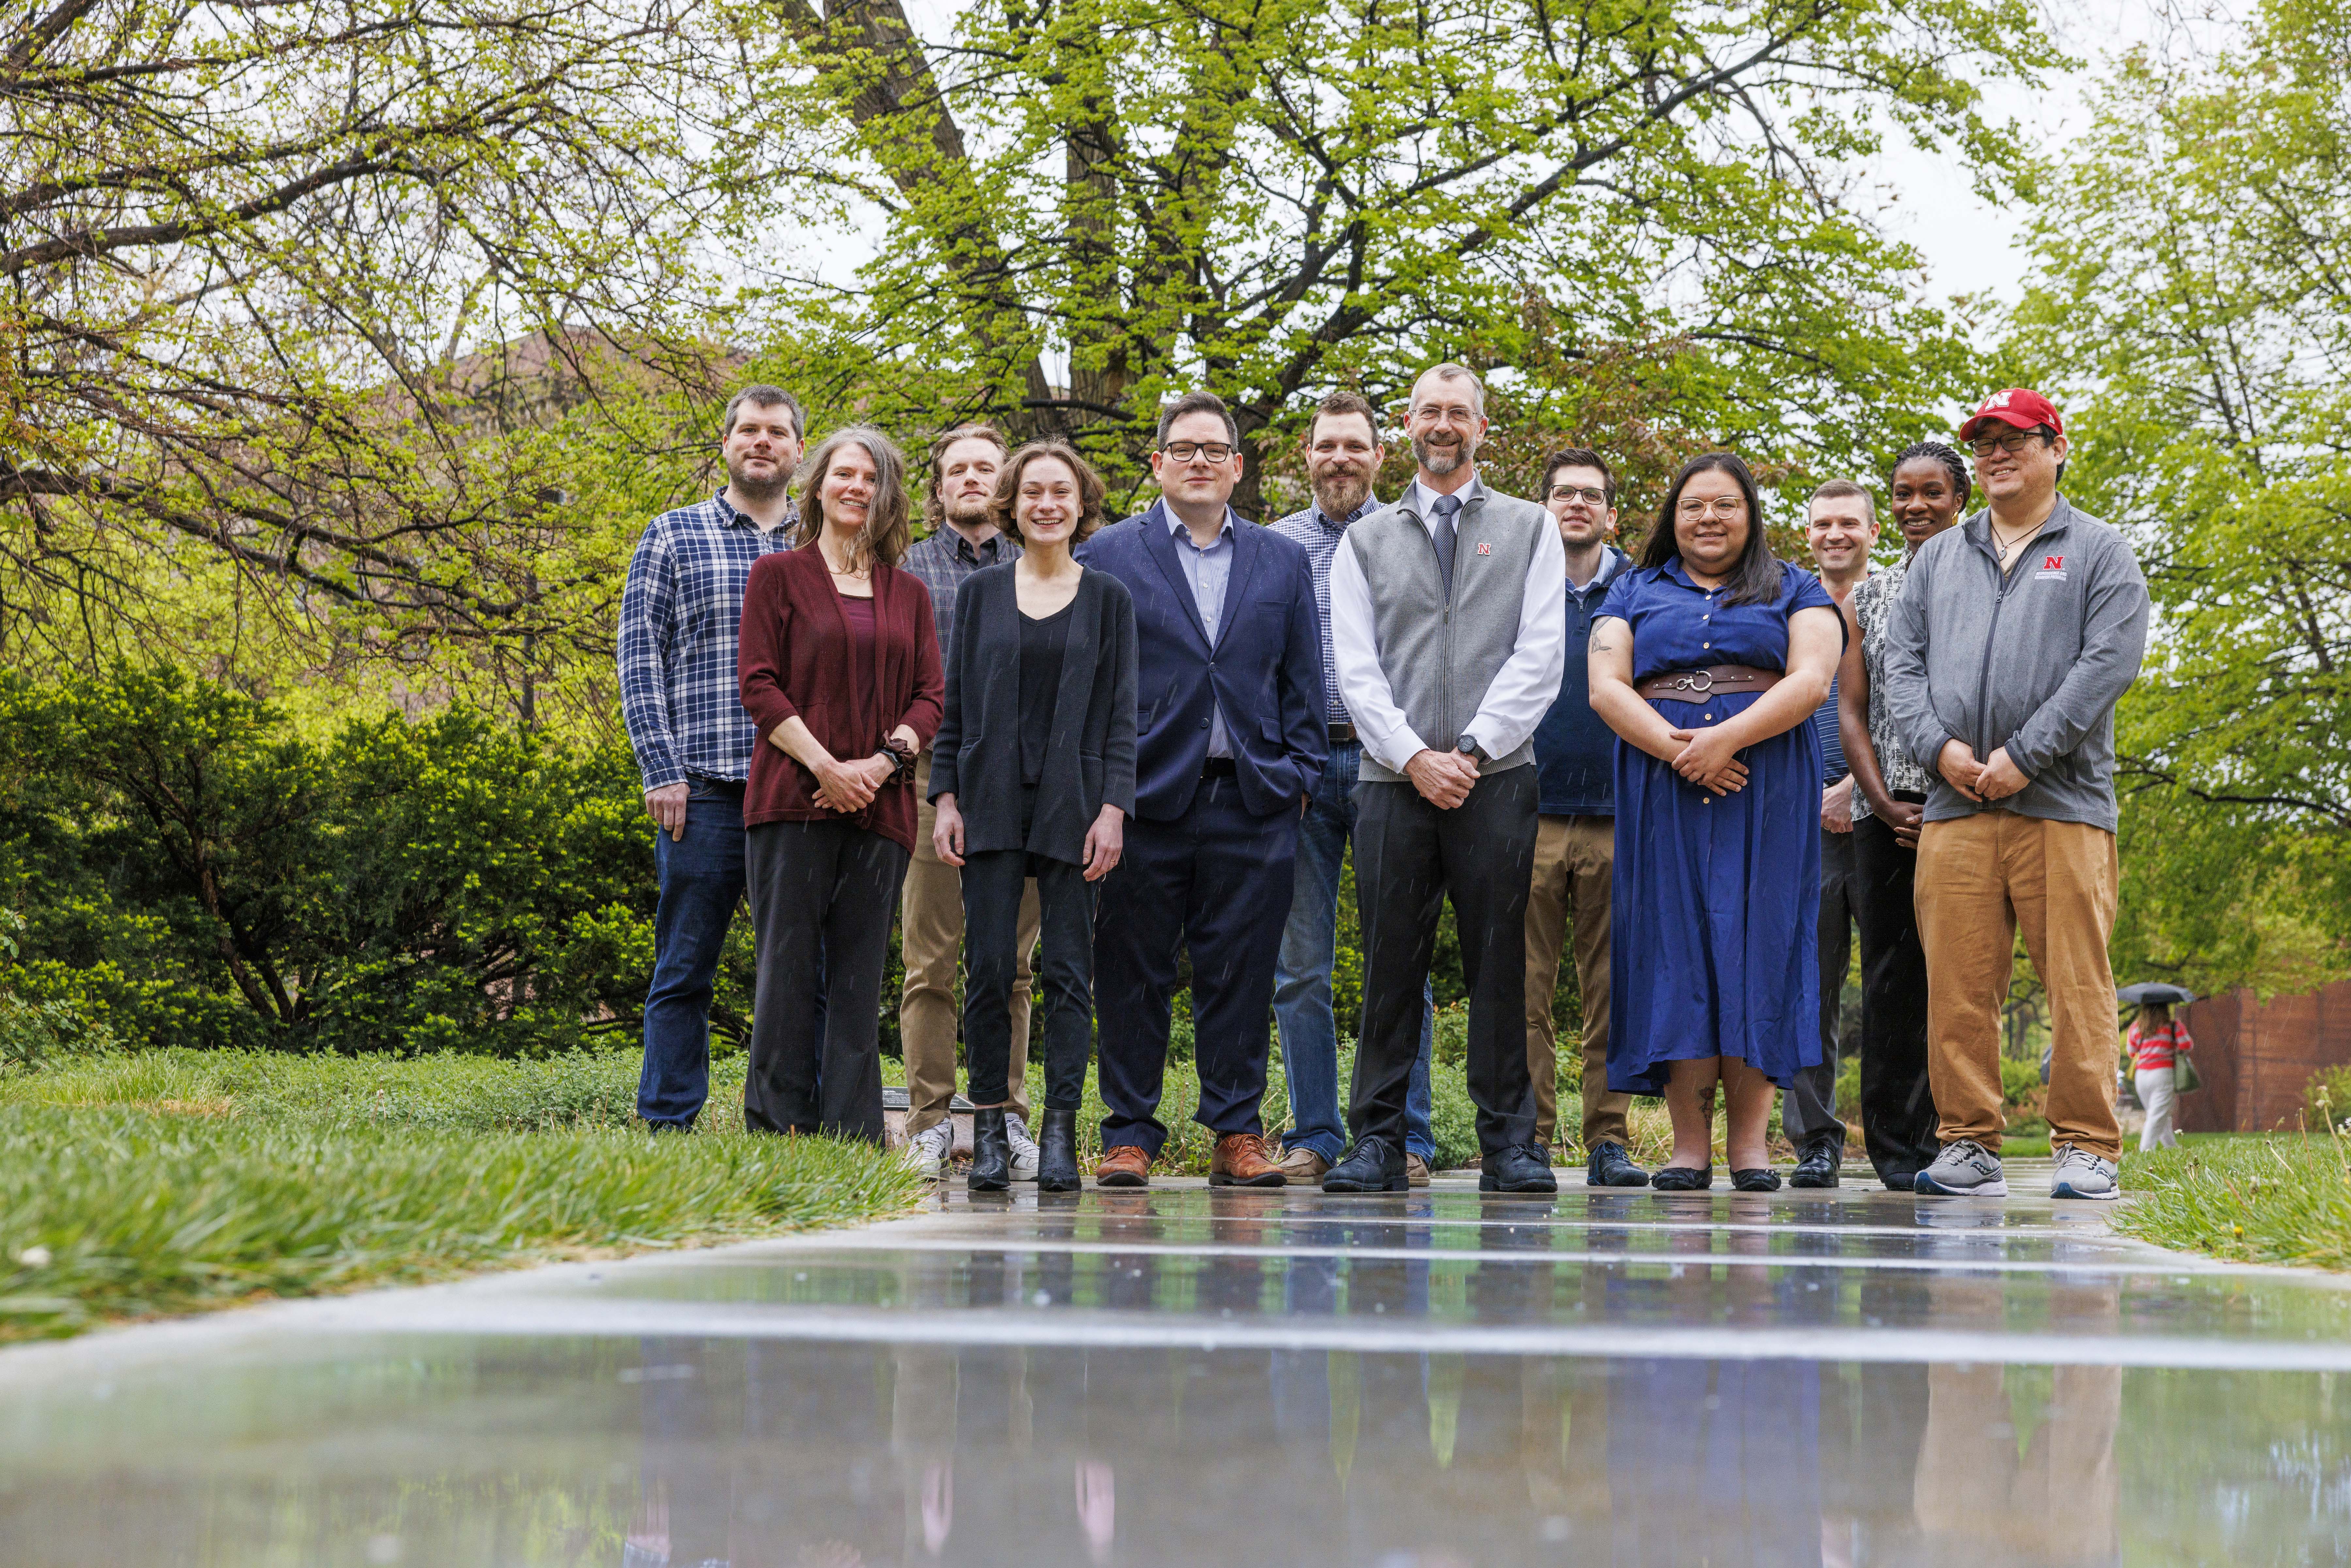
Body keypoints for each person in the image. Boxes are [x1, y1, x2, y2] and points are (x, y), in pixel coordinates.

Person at [1883, 388, 2150, 1201]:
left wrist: (2022, 757)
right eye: (1984, 442)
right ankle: (1967, 1144)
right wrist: (1944, 752)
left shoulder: (2100, 552)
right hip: (1957, 806)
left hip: (2060, 806)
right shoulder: (1936, 559)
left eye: (2015, 440)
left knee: (2077, 984)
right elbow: (1899, 666)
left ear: (2055, 448)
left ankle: (2086, 1148)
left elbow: (2104, 667)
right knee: (1957, 986)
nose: (1996, 453)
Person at [1324, 362, 1566, 1194]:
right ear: (1407, 425)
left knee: (1501, 962)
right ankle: (1376, 1143)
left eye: (1458, 413)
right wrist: (1413, 756)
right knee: (1391, 963)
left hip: (1495, 777)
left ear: (1481, 430)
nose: (1443, 424)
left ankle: (1509, 1144)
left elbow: (1541, 655)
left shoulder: (1532, 528)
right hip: (1392, 781)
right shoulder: (1363, 539)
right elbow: (1353, 669)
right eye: (1429, 410)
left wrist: (1467, 749)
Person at [1077, 390, 1328, 1188]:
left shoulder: (1281, 562)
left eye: (1213, 451)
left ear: (1237, 468)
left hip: (1252, 800)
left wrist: (1296, 777)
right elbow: (1089, 684)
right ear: (1156, 464)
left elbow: (1302, 682)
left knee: (1242, 972)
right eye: (1181, 449)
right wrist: (1100, 793)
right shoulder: (1107, 555)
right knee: (1130, 969)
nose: (1197, 462)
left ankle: (1235, 1130)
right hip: (1140, 800)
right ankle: (1129, 1133)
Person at [1588, 452, 1844, 1192]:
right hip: (1659, 789)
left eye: (1725, 505)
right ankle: (1687, 1148)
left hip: (1764, 788)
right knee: (1676, 952)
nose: (1708, 517)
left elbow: (1810, 678)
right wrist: (1681, 752)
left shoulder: (1794, 587)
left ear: (1750, 514)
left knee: (1758, 948)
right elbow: (1606, 686)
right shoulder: (1633, 589)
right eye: (1693, 505)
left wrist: (1726, 741)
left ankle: (1752, 1149)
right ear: (1672, 515)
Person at [930, 441, 1138, 1192]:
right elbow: (953, 707)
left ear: (1081, 507)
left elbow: (1121, 717)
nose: (1046, 504)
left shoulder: (1109, 599)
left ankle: (1057, 1137)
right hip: (986, 800)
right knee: (987, 967)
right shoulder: (983, 594)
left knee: (1068, 973)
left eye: (1061, 493)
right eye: (1032, 493)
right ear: (1011, 506)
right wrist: (945, 796)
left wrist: (1114, 808)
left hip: (1074, 805)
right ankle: (988, 1127)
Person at [736, 426, 943, 1137]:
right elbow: (759, 685)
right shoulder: (778, 576)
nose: (858, 488)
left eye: (872, 479)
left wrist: (880, 766)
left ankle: (853, 1136)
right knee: (785, 973)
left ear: (887, 497)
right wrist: (826, 767)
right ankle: (778, 1127)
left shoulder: (908, 593)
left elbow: (930, 697)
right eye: (845, 474)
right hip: (792, 803)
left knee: (859, 980)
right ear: (818, 485)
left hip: (880, 811)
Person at [620, 384, 807, 1130]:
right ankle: (668, 1121)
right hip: (703, 791)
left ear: (798, 450)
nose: (761, 442)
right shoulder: (672, 535)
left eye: (777, 432)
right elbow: (640, 659)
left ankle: (795, 1119)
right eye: (748, 430)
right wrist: (660, 770)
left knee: (799, 971)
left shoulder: (821, 545)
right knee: (684, 966)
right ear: (726, 443)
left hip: (800, 796)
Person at [1268, 391, 1441, 1187]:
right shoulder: (1270, 549)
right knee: (1298, 966)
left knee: (1399, 961)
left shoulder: (1413, 538)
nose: (1339, 458)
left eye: (1354, 446)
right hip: (1298, 774)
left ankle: (1404, 1135)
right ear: (1304, 456)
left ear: (1380, 455)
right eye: (1325, 446)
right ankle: (1313, 1133)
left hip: (1391, 768)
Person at [897, 423, 1045, 1182]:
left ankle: (1005, 1119)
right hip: (929, 782)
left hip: (1022, 787)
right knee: (930, 961)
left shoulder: (1042, 566)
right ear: (939, 485)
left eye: (985, 467)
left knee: (1012, 966)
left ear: (1006, 482)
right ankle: (927, 1122)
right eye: (956, 468)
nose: (970, 479)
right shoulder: (909, 569)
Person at [1837, 442, 1971, 1189]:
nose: (1915, 505)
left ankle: (1955, 1140)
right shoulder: (1870, 597)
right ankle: (1894, 1151)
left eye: (1931, 492)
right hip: (1882, 809)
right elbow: (1851, 711)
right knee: (1889, 979)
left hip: (1963, 809)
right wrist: (1883, 799)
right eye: (1901, 493)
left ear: (1959, 500)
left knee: (1955, 977)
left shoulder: (1990, 587)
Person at [1520, 446, 1645, 1188]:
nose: (1575, 504)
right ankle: (1529, 1137)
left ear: (1609, 512)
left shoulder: (1641, 588)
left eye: (1589, 495)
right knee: (1524, 989)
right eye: (1562, 492)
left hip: (1618, 812)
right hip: (1527, 810)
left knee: (1612, 990)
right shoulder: (1514, 583)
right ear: (1543, 506)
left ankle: (1609, 1140)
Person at [1786, 480, 1879, 1188]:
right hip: (1801, 828)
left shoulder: (1899, 604)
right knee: (1809, 989)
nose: (1835, 533)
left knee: (1893, 986)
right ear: (1808, 531)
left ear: (1872, 532)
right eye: (1824, 523)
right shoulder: (1788, 605)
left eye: (1850, 522)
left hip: (1884, 819)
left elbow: (1912, 701)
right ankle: (1816, 1138)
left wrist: (1855, 787)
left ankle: (1903, 1137)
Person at [2125, 1001, 2192, 1151]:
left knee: (2159, 1113)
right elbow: (2186, 1045)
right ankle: (2146, 1150)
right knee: (2157, 1115)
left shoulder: (2137, 1027)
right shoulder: (2173, 1026)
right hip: (2163, 1073)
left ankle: (2171, 1147)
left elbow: (2131, 1051)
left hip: (2142, 1076)